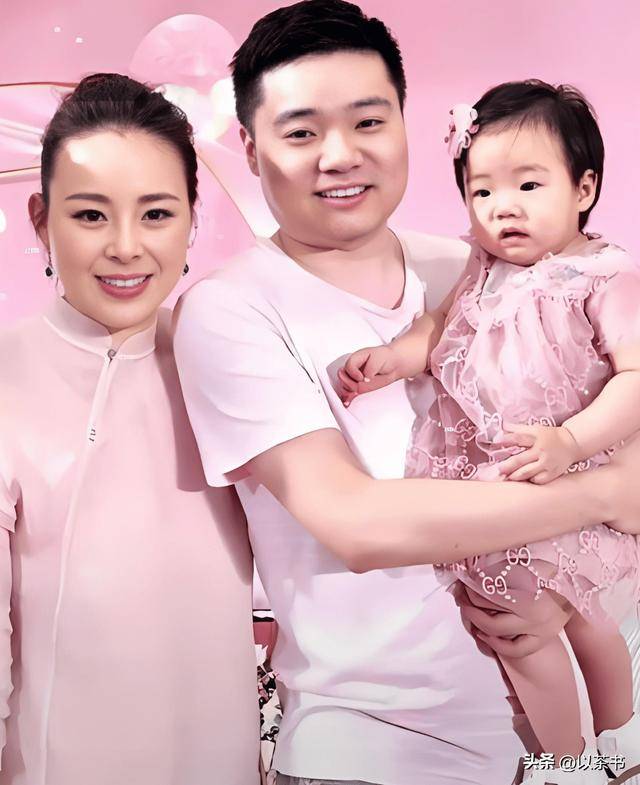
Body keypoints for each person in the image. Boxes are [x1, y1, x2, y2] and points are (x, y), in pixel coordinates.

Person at [173, 2, 640, 784]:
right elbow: (358, 523)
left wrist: (599, 514)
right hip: (374, 750)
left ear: (403, 123)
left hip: (543, 745)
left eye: (368, 121)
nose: (340, 155)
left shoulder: (484, 265)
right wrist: (605, 494)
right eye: (301, 132)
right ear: (249, 148)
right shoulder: (231, 310)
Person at [338, 80, 640, 784]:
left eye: (528, 185)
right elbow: (442, 326)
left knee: (570, 624)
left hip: (569, 476)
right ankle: (589, 753)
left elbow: (637, 374)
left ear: (585, 187)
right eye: (481, 192)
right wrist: (395, 358)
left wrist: (572, 441)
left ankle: (596, 751)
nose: (503, 207)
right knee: (534, 625)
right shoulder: (483, 267)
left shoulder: (604, 277)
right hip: (497, 483)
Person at [0, 73, 259, 785]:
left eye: (156, 214)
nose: (125, 247)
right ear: (40, 219)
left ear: (192, 219)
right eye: (90, 215)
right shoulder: (6, 375)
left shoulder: (236, 366)